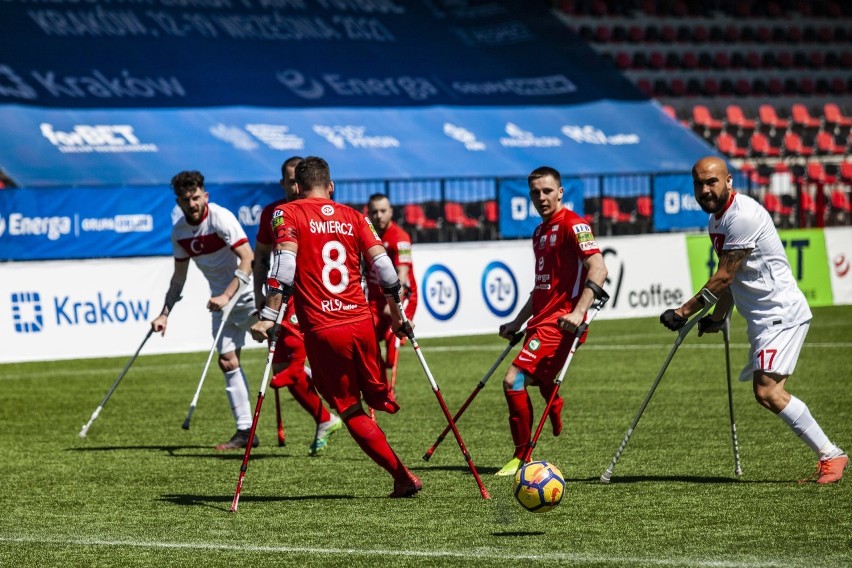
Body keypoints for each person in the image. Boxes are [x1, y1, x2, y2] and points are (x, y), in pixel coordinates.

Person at [660, 156, 847, 484]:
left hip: (780, 314)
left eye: (712, 182)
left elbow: (723, 277)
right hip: (764, 319)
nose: (705, 189)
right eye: (699, 184)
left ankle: (831, 455)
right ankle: (829, 455)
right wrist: (718, 317)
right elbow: (733, 279)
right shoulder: (716, 221)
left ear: (729, 180)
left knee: (768, 392)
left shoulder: (742, 215)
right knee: (767, 392)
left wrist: (683, 312)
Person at [250, 156, 422, 498]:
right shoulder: (354, 216)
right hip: (361, 323)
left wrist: (268, 315)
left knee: (347, 407)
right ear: (331, 187)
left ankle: (403, 477)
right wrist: (397, 314)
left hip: (325, 328)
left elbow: (283, 265)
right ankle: (382, 395)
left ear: (296, 188)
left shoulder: (288, 213)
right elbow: (387, 271)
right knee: (369, 392)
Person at [495, 166, 608, 477]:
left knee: (513, 380)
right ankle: (553, 401)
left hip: (561, 324)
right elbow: (541, 287)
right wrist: (517, 321)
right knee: (537, 377)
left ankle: (522, 457)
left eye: (547, 191)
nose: (541, 197)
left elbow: (598, 269)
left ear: (560, 192)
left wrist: (578, 312)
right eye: (535, 193)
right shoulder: (539, 232)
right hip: (539, 322)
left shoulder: (575, 225)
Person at [151, 170, 258, 450]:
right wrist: (165, 314)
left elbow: (248, 259)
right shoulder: (180, 233)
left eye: (196, 198)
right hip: (220, 302)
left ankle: (325, 415)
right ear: (178, 202)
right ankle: (246, 432)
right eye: (186, 200)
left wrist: (226, 294)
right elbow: (178, 279)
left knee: (284, 357)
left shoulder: (220, 218)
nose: (192, 204)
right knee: (227, 361)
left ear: (205, 196)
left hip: (246, 295)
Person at [253, 156, 342, 455]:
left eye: (298, 180)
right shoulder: (274, 213)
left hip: (314, 294)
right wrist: (259, 295)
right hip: (281, 291)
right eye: (290, 181)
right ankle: (324, 417)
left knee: (292, 361)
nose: (295, 186)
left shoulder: (323, 211)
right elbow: (262, 255)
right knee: (281, 365)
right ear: (283, 183)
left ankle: (337, 400)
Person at [365, 193, 418, 384]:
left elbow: (402, 275)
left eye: (383, 211)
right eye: (374, 212)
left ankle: (390, 389)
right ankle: (381, 387)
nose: (378, 215)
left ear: (391, 212)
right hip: (374, 300)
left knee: (392, 340)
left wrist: (394, 303)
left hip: (401, 296)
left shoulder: (400, 237)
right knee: (367, 340)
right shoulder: (366, 234)